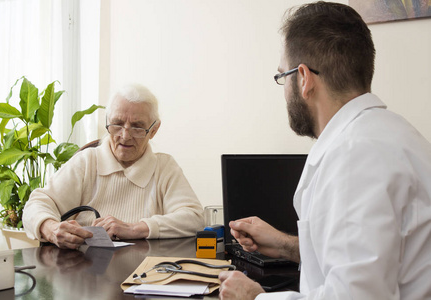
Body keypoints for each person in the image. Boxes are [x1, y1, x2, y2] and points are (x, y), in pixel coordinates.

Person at [219, 2, 431, 300]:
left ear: (303, 78)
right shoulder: (394, 134)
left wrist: (254, 297)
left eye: (283, 76)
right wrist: (285, 245)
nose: (283, 88)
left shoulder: (353, 156)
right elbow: (374, 255)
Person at [23, 83, 204, 249]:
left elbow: (195, 218)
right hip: (84, 274)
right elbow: (36, 205)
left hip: (144, 275)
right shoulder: (87, 162)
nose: (125, 136)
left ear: (154, 130)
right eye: (117, 124)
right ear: (107, 122)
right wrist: (52, 229)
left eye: (137, 127)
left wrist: (136, 228)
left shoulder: (164, 167)